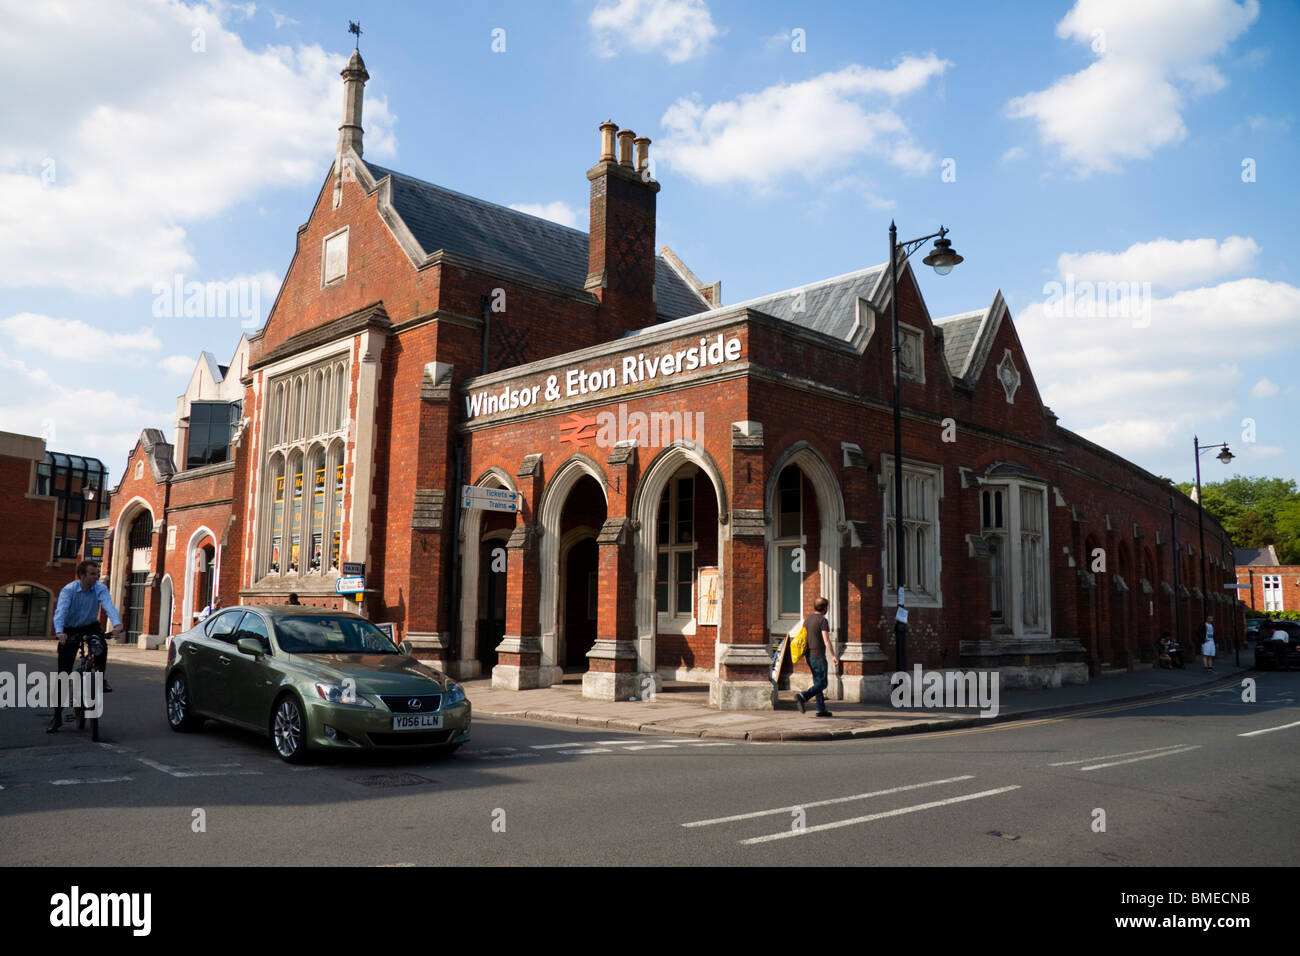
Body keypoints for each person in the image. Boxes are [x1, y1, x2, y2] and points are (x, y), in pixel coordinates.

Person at [48, 560, 123, 733]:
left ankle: (100, 678)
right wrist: (60, 632)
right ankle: (57, 716)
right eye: (92, 574)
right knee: (63, 673)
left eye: (97, 573)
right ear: (82, 575)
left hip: (90, 626)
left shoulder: (100, 588)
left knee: (101, 646)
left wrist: (117, 625)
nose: (96, 576)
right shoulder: (69, 590)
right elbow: (61, 612)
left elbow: (108, 606)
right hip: (69, 628)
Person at [793, 596, 839, 717]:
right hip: (818, 655)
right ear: (824, 608)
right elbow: (826, 640)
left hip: (809, 655)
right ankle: (803, 696)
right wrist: (834, 655)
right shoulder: (822, 621)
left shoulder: (808, 619)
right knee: (823, 683)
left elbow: (803, 636)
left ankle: (820, 709)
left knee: (817, 681)